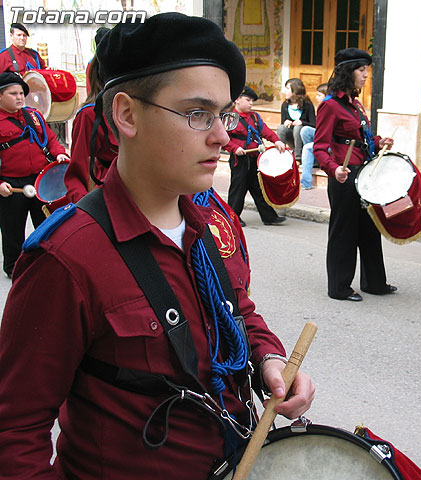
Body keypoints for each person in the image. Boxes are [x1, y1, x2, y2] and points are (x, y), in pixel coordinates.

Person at [0, 13, 314, 478]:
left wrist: (269, 358)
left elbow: (235, 309)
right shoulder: (65, 258)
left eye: (224, 114)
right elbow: (14, 435)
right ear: (128, 115)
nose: (223, 136)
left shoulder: (203, 223)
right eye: (197, 114)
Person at [313, 48, 395, 301]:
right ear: (348, 72)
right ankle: (338, 287)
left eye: (367, 70)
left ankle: (374, 282)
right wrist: (333, 168)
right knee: (344, 232)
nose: (366, 75)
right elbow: (319, 146)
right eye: (362, 70)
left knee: (371, 228)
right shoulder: (330, 106)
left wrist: (379, 142)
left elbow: (362, 138)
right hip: (344, 175)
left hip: (364, 173)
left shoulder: (356, 105)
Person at [0, 72, 68, 278]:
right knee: (13, 231)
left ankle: (47, 262)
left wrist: (60, 153)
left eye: (21, 93)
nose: (20, 97)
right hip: (11, 185)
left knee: (47, 225)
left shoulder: (34, 115)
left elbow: (51, 139)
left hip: (40, 180)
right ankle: (13, 269)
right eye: (13, 93)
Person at [224, 85, 287, 226]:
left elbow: (265, 131)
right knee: (238, 188)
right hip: (240, 159)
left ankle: (269, 217)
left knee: (258, 187)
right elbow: (224, 139)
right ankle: (232, 218)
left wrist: (276, 140)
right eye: (248, 100)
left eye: (252, 101)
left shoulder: (255, 117)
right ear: (237, 100)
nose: (251, 103)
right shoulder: (230, 118)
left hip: (256, 158)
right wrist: (235, 148)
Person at [64, 53, 118, 204]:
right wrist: (86, 209)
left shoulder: (142, 110)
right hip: (107, 198)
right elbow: (77, 172)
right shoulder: (89, 115)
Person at [276, 77, 316, 161]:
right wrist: (285, 122)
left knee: (298, 128)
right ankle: (281, 154)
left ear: (295, 90)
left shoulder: (307, 104)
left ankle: (298, 157)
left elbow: (314, 124)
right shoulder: (285, 105)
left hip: (302, 138)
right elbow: (282, 122)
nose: (285, 91)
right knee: (280, 128)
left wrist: (302, 122)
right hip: (291, 136)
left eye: (287, 89)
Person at [300, 83, 328, 189]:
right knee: (305, 130)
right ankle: (316, 159)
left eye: (319, 95)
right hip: (323, 136)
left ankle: (306, 183)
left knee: (307, 148)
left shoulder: (330, 108)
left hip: (331, 141)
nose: (316, 98)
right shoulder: (322, 107)